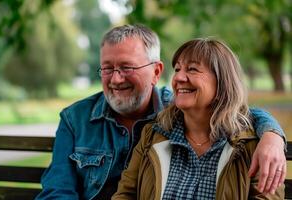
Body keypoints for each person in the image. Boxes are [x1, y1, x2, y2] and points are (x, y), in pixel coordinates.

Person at [36, 25, 286, 200]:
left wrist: (272, 134)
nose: (115, 78)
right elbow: (58, 190)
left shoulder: (174, 108)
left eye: (126, 67)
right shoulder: (75, 119)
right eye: (106, 68)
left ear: (156, 72)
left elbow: (236, 111)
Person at [112, 38, 285, 199]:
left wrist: (273, 135)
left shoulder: (251, 145)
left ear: (222, 82)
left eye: (192, 69)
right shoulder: (153, 135)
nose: (179, 77)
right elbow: (125, 194)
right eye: (177, 69)